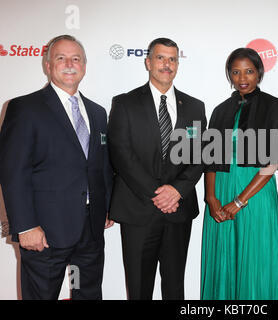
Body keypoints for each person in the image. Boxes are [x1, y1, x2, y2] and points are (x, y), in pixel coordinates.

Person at [0, 35, 113, 300]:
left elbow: (102, 166)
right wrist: (25, 226)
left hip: (91, 230)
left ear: (84, 66)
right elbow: (13, 171)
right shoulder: (23, 108)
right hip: (44, 233)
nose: (69, 64)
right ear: (48, 65)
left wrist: (107, 206)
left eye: (76, 59)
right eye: (61, 58)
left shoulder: (98, 113)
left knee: (88, 294)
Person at [107, 38, 206, 300]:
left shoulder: (195, 107)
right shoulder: (125, 103)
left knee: (175, 288)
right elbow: (121, 154)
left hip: (178, 211)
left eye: (172, 59)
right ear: (148, 62)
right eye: (161, 58)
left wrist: (177, 191)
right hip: (138, 210)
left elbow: (199, 156)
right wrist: (157, 194)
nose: (167, 64)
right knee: (139, 289)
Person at [201, 47, 278, 300]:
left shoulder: (273, 106)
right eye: (236, 71)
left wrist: (240, 201)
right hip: (220, 192)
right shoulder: (220, 110)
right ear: (229, 75)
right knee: (223, 256)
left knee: (255, 258)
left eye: (249, 71)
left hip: (255, 195)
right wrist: (211, 198)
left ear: (259, 73)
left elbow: (272, 163)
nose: (242, 77)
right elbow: (211, 160)